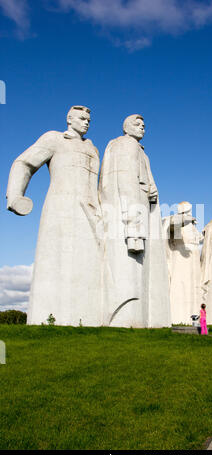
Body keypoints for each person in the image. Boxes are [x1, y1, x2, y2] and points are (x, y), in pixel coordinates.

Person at [6, 106, 102, 326]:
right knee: (58, 262)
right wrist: (15, 195)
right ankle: (50, 318)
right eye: (82, 118)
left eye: (89, 119)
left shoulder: (93, 149)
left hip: (91, 212)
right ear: (69, 119)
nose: (87, 122)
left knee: (88, 267)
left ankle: (87, 320)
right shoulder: (55, 139)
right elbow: (24, 163)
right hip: (62, 208)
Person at [98, 114, 171, 328]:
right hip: (129, 211)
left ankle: (135, 317)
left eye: (144, 125)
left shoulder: (136, 149)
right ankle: (126, 319)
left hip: (134, 207)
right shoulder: (125, 145)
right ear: (126, 127)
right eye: (137, 124)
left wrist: (151, 189)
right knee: (128, 268)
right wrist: (133, 225)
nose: (142, 128)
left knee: (136, 270)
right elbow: (126, 181)